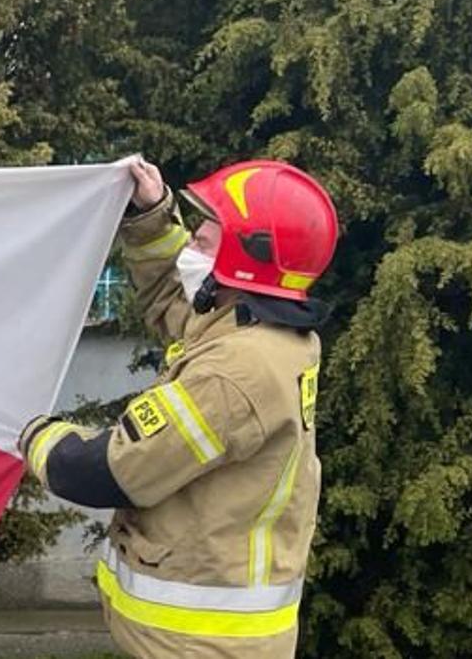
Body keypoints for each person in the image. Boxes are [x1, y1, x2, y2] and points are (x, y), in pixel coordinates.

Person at [19, 159, 338, 658]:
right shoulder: (255, 332)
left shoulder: (234, 372)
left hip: (204, 646)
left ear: (241, 263)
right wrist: (150, 216)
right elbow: (178, 299)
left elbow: (108, 472)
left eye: (203, 240)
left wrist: (28, 431)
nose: (190, 244)